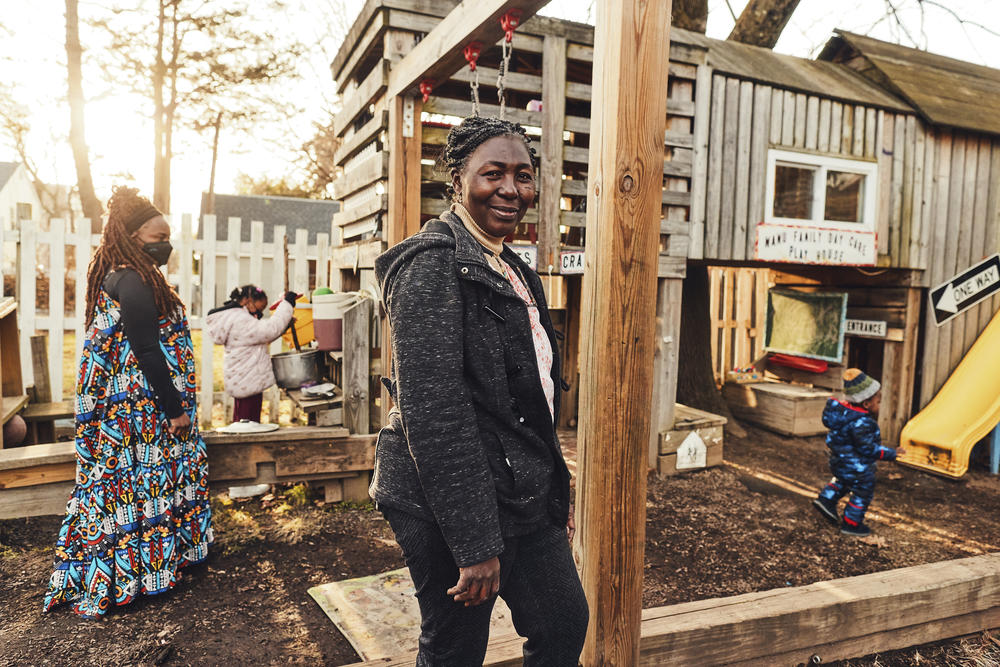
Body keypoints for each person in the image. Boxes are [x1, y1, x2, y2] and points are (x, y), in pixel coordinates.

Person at [373, 116, 589, 666]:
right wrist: (474, 545)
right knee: (455, 650)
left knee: (564, 621)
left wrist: (554, 491)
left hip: (519, 488)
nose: (511, 189)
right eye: (493, 173)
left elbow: (531, 402)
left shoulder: (514, 268)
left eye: (523, 175)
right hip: (444, 496)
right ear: (458, 181)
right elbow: (435, 412)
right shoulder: (429, 265)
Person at [43, 186, 212, 617]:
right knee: (143, 482)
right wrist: (174, 408)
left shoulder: (123, 273)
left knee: (140, 486)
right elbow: (147, 350)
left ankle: (152, 567)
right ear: (135, 235)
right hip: (139, 410)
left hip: (135, 406)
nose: (166, 242)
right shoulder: (133, 280)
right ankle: (137, 574)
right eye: (159, 234)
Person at [812, 368, 905, 537]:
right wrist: (892, 453)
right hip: (857, 466)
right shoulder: (862, 422)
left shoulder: (843, 416)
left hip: (839, 461)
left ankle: (826, 499)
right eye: (878, 401)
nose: (879, 405)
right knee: (863, 489)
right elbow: (868, 449)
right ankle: (852, 523)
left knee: (843, 480)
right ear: (866, 403)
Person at [205, 285, 297, 423]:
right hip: (247, 380)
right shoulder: (240, 319)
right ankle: (243, 444)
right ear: (247, 301)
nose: (259, 314)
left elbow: (261, 338)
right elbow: (270, 330)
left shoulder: (233, 317)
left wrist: (285, 327)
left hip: (245, 378)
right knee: (248, 423)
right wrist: (287, 304)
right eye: (259, 309)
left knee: (243, 420)